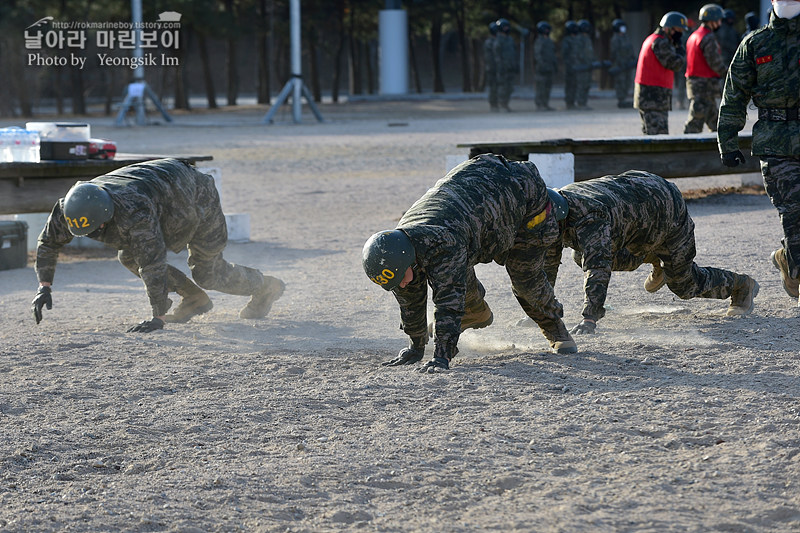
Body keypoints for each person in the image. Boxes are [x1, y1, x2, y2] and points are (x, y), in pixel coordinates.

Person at [362, 154, 578, 373]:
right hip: (476, 207)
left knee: (524, 276)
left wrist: (441, 357)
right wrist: (415, 346)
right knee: (453, 265)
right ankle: (474, 311)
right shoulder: (400, 248)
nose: (401, 286)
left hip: (523, 195)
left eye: (400, 280)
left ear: (405, 260)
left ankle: (555, 328)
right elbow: (410, 299)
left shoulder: (441, 242)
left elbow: (449, 301)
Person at [31, 158, 285, 332]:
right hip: (162, 199)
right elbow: (47, 243)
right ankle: (194, 298)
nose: (93, 234)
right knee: (128, 257)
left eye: (97, 229)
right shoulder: (68, 208)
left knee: (208, 273)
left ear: (107, 215)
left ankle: (265, 287)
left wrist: (158, 316)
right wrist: (44, 286)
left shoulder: (134, 210)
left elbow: (152, 261)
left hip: (195, 196)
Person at [519, 171, 758, 333]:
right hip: (637, 218)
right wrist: (541, 311)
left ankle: (741, 285)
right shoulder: (554, 210)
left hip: (666, 211)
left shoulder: (590, 219)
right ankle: (654, 258)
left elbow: (597, 268)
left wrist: (589, 318)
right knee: (580, 254)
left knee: (684, 285)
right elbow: (547, 263)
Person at [718, 0, 800, 307]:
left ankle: (787, 260)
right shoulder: (756, 43)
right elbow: (734, 94)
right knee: (795, 211)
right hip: (776, 142)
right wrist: (727, 141)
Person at [634, 11, 689, 134]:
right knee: (658, 137)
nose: (679, 34)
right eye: (678, 30)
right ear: (668, 28)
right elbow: (675, 64)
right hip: (653, 98)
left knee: (652, 135)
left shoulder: (654, 39)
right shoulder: (660, 42)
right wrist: (680, 51)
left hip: (652, 98)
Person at [683, 4, 728, 133]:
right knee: (695, 122)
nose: (720, 23)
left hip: (695, 83)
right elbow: (715, 62)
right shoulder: (708, 37)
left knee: (714, 120)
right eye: (719, 20)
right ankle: (686, 147)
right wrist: (728, 74)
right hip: (704, 85)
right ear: (712, 21)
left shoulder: (694, 35)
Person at [609, 18, 636, 108]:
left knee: (627, 81)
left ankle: (624, 98)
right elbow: (614, 53)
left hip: (628, 64)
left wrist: (633, 59)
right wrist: (620, 62)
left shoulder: (626, 38)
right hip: (620, 65)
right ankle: (621, 99)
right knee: (621, 82)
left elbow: (630, 50)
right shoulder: (615, 39)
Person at [494, 18, 517, 112]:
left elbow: (513, 53)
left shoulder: (510, 39)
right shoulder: (498, 40)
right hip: (503, 68)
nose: (507, 28)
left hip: (510, 67)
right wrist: (501, 67)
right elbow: (497, 56)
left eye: (508, 27)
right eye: (505, 27)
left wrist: (515, 65)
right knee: (502, 87)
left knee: (510, 88)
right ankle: (502, 105)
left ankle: (506, 104)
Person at [533, 21, 557, 111]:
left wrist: (554, 65)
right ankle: (540, 105)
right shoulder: (539, 41)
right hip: (542, 69)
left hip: (549, 68)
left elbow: (552, 55)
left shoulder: (549, 41)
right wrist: (542, 65)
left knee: (548, 87)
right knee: (541, 87)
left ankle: (545, 104)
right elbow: (537, 55)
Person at [575, 19, 597, 109]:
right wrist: (585, 61)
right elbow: (579, 53)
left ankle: (584, 102)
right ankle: (580, 103)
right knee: (581, 85)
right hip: (582, 66)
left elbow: (590, 52)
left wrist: (592, 61)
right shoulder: (579, 39)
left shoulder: (587, 39)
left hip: (588, 66)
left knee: (587, 85)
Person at [562, 20, 581, 109]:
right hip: (570, 67)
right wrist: (569, 65)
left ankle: (573, 102)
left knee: (575, 85)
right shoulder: (567, 41)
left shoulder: (578, 40)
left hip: (577, 66)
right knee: (569, 85)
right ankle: (569, 103)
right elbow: (565, 54)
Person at [484, 21, 499, 112]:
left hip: (497, 68)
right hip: (492, 68)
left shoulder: (498, 41)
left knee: (498, 87)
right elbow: (491, 57)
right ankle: (493, 105)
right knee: (493, 87)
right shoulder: (489, 42)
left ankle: (498, 104)